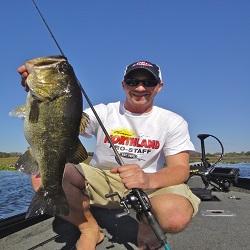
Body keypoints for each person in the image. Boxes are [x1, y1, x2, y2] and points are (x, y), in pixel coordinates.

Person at [18, 60, 200, 250]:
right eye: (132, 80)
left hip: (149, 186)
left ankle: (146, 225)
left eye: (148, 82)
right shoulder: (103, 112)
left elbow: (180, 169)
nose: (139, 87)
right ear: (123, 84)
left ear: (159, 87)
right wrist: (40, 91)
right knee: (42, 177)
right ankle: (89, 229)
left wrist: (147, 180)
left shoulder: (173, 121)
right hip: (101, 180)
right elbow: (64, 120)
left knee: (176, 217)